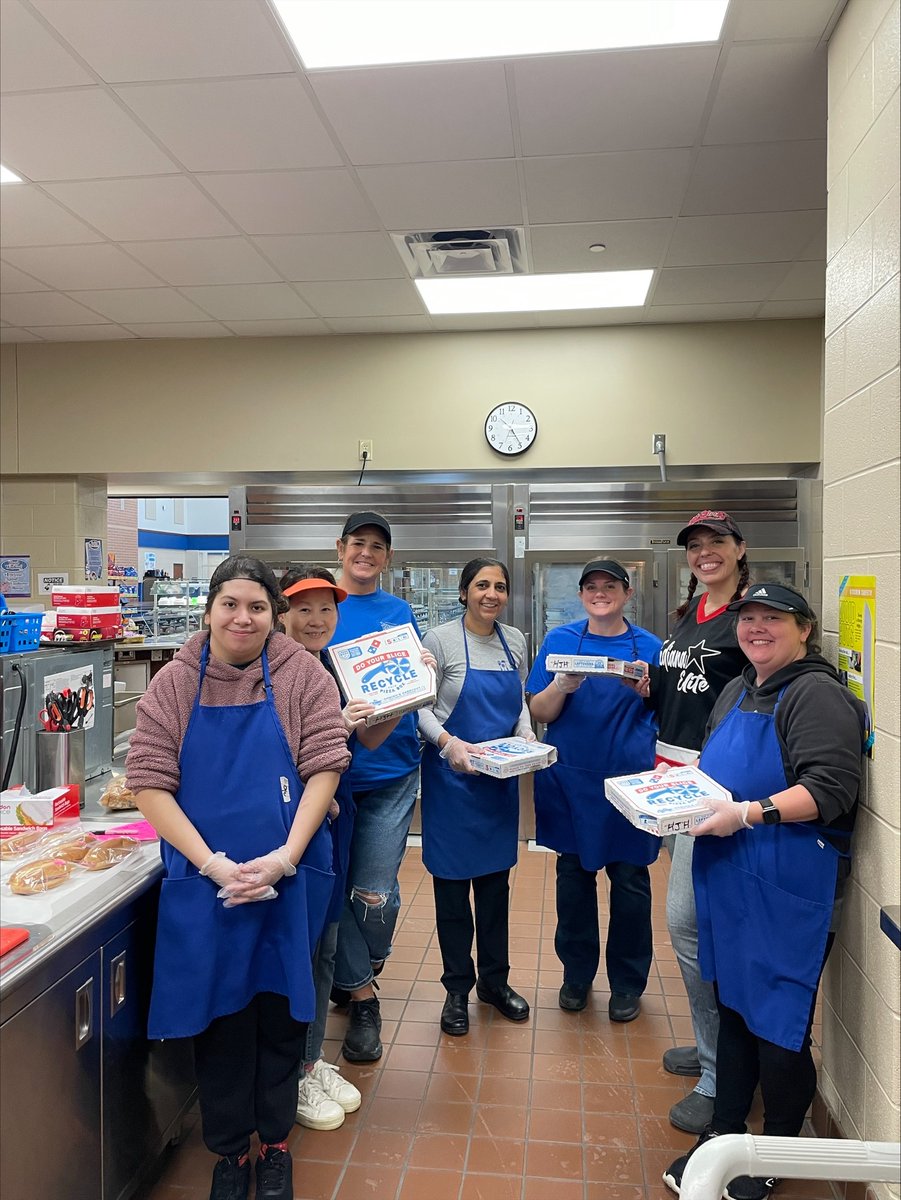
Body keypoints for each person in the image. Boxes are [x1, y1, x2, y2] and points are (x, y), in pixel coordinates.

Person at [126, 556, 350, 1200]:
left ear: (273, 614)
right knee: (220, 1017)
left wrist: (284, 856)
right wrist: (211, 862)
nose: (243, 618)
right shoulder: (174, 682)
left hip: (291, 876)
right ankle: (229, 1152)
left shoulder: (302, 673)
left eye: (257, 606)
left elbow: (324, 767)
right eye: (231, 605)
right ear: (209, 610)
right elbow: (148, 781)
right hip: (209, 883)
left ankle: (275, 1144)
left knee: (281, 1013)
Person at [663, 584, 866, 1200]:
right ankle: (724, 1138)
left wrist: (747, 815)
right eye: (746, 618)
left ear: (804, 629)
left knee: (778, 1023)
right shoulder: (738, 688)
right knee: (733, 1009)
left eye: (771, 619)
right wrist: (667, 799)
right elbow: (712, 772)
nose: (755, 628)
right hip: (732, 878)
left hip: (789, 884)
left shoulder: (816, 694)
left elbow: (829, 789)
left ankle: (774, 1146)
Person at [279, 566, 434, 1130]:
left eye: (326, 610)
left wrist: (406, 690)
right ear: (282, 614)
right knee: (301, 942)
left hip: (333, 815)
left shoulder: (331, 668)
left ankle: (310, 1058)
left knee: (327, 938)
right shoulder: (272, 671)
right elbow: (270, 751)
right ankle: (292, 1070)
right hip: (295, 826)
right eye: (303, 609)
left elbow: (367, 736)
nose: (316, 619)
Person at [649, 508, 750, 1134]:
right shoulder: (691, 616)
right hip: (670, 785)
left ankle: (721, 1076)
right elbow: (682, 692)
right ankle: (713, 1048)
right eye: (695, 545)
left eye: (717, 542)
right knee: (695, 928)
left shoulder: (749, 620)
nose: (704, 552)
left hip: (713, 790)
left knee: (688, 926)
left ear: (740, 549)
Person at [527, 559, 662, 1022]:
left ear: (627, 593)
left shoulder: (650, 647)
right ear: (581, 594)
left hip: (632, 782)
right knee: (574, 881)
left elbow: (667, 712)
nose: (600, 593)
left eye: (610, 586)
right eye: (591, 587)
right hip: (572, 779)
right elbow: (540, 711)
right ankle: (577, 975)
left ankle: (627, 983)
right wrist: (562, 685)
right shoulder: (560, 642)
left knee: (630, 882)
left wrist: (648, 692)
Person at [418, 557, 533, 1036]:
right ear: (464, 591)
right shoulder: (439, 640)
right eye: (482, 585)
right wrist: (450, 745)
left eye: (500, 587)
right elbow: (421, 711)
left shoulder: (516, 641)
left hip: (496, 786)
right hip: (452, 783)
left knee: (493, 892)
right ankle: (456, 991)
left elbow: (520, 702)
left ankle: (494, 982)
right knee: (451, 895)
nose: (492, 594)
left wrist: (526, 735)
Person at [328, 511, 424, 1063]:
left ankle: (365, 961)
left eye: (377, 547)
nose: (366, 554)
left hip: (391, 771)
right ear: (340, 548)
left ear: (387, 558)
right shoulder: (319, 609)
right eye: (357, 544)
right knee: (335, 893)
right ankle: (363, 998)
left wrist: (423, 669)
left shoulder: (398, 611)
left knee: (374, 892)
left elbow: (408, 681)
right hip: (332, 775)